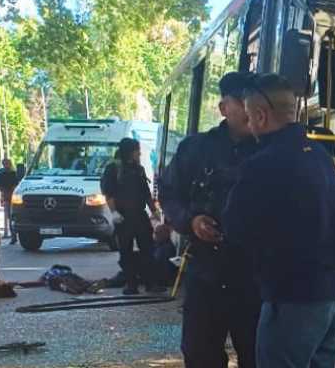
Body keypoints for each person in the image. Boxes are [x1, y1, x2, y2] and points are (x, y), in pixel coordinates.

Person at [223, 74, 335, 368]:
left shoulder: (263, 164)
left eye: (250, 117)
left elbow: (235, 227)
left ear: (261, 116)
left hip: (291, 297)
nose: (249, 125)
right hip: (332, 295)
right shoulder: (321, 157)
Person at [158, 71, 261, 368]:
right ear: (223, 108)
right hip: (207, 272)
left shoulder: (270, 151)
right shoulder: (196, 149)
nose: (247, 109)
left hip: (255, 277)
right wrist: (191, 221)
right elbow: (169, 194)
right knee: (201, 355)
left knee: (258, 355)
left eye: (253, 102)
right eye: (240, 102)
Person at [101, 137, 163, 295]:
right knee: (126, 251)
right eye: (137, 150)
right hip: (123, 217)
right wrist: (114, 212)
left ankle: (151, 283)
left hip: (139, 215)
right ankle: (131, 284)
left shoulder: (138, 169)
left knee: (148, 249)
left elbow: (146, 193)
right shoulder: (113, 169)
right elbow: (108, 193)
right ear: (129, 152)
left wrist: (154, 211)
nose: (139, 153)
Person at [0, 159, 20, 244]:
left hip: (12, 197)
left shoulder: (12, 174)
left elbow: (15, 185)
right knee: (10, 217)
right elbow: (0, 187)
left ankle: (14, 235)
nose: (7, 165)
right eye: (5, 164)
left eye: (7, 164)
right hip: (8, 197)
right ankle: (14, 236)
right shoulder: (2, 175)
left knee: (13, 216)